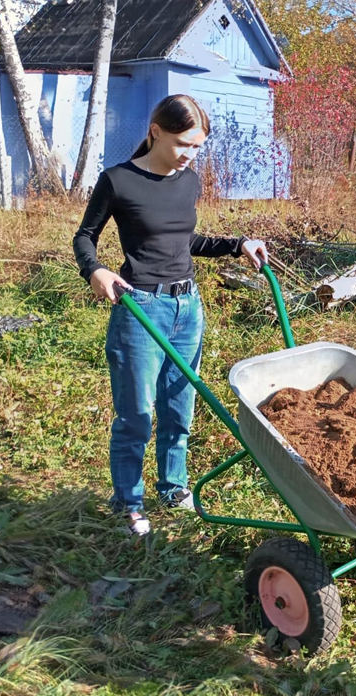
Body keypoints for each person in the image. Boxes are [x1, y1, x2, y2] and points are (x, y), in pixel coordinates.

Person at [73, 94, 268, 536]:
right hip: (140, 309)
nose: (190, 155)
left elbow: (185, 241)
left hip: (188, 307)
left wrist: (237, 244)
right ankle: (128, 503)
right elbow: (84, 237)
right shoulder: (118, 180)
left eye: (198, 146)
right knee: (137, 415)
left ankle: (172, 487)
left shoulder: (189, 181)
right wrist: (96, 269)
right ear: (156, 131)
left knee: (180, 409)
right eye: (183, 143)